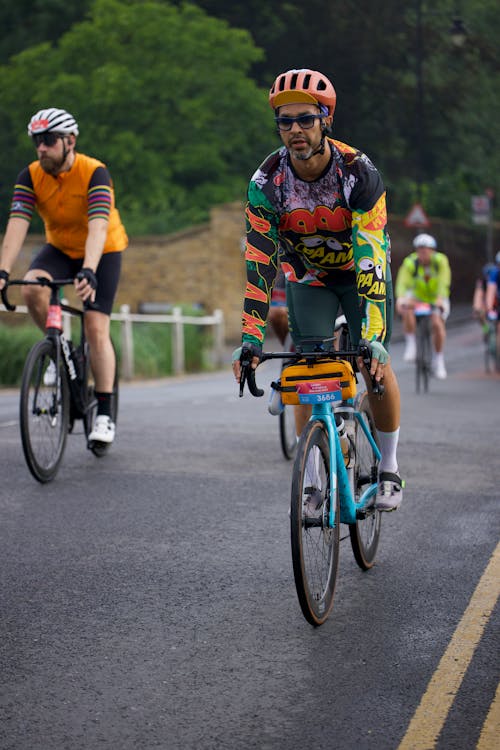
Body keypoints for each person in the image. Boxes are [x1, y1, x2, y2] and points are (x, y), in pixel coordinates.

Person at [232, 68, 403, 511]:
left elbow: (371, 257)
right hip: (308, 275)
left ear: (325, 119)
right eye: (284, 122)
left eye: (305, 119)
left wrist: (376, 337)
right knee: (307, 370)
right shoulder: (265, 184)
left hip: (360, 272)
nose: (295, 130)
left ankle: (389, 468)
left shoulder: (357, 174)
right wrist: (250, 339)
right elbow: (259, 264)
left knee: (373, 370)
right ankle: (313, 479)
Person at [0, 108, 128, 444]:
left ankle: (103, 413)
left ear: (69, 141)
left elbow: (99, 225)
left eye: (48, 141)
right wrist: (2, 272)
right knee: (31, 288)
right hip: (59, 248)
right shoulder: (30, 175)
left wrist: (89, 268)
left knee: (96, 326)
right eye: (36, 142)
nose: (40, 148)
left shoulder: (94, 172)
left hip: (102, 250)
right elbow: (16, 226)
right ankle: (61, 349)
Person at [395, 233, 451, 379]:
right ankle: (411, 344)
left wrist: (439, 300)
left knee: (438, 325)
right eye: (419, 250)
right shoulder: (410, 262)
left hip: (436, 298)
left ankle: (439, 360)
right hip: (417, 298)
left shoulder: (440, 262)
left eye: (426, 250)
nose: (423, 253)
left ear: (433, 250)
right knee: (406, 309)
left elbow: (444, 282)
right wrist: (400, 299)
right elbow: (402, 282)